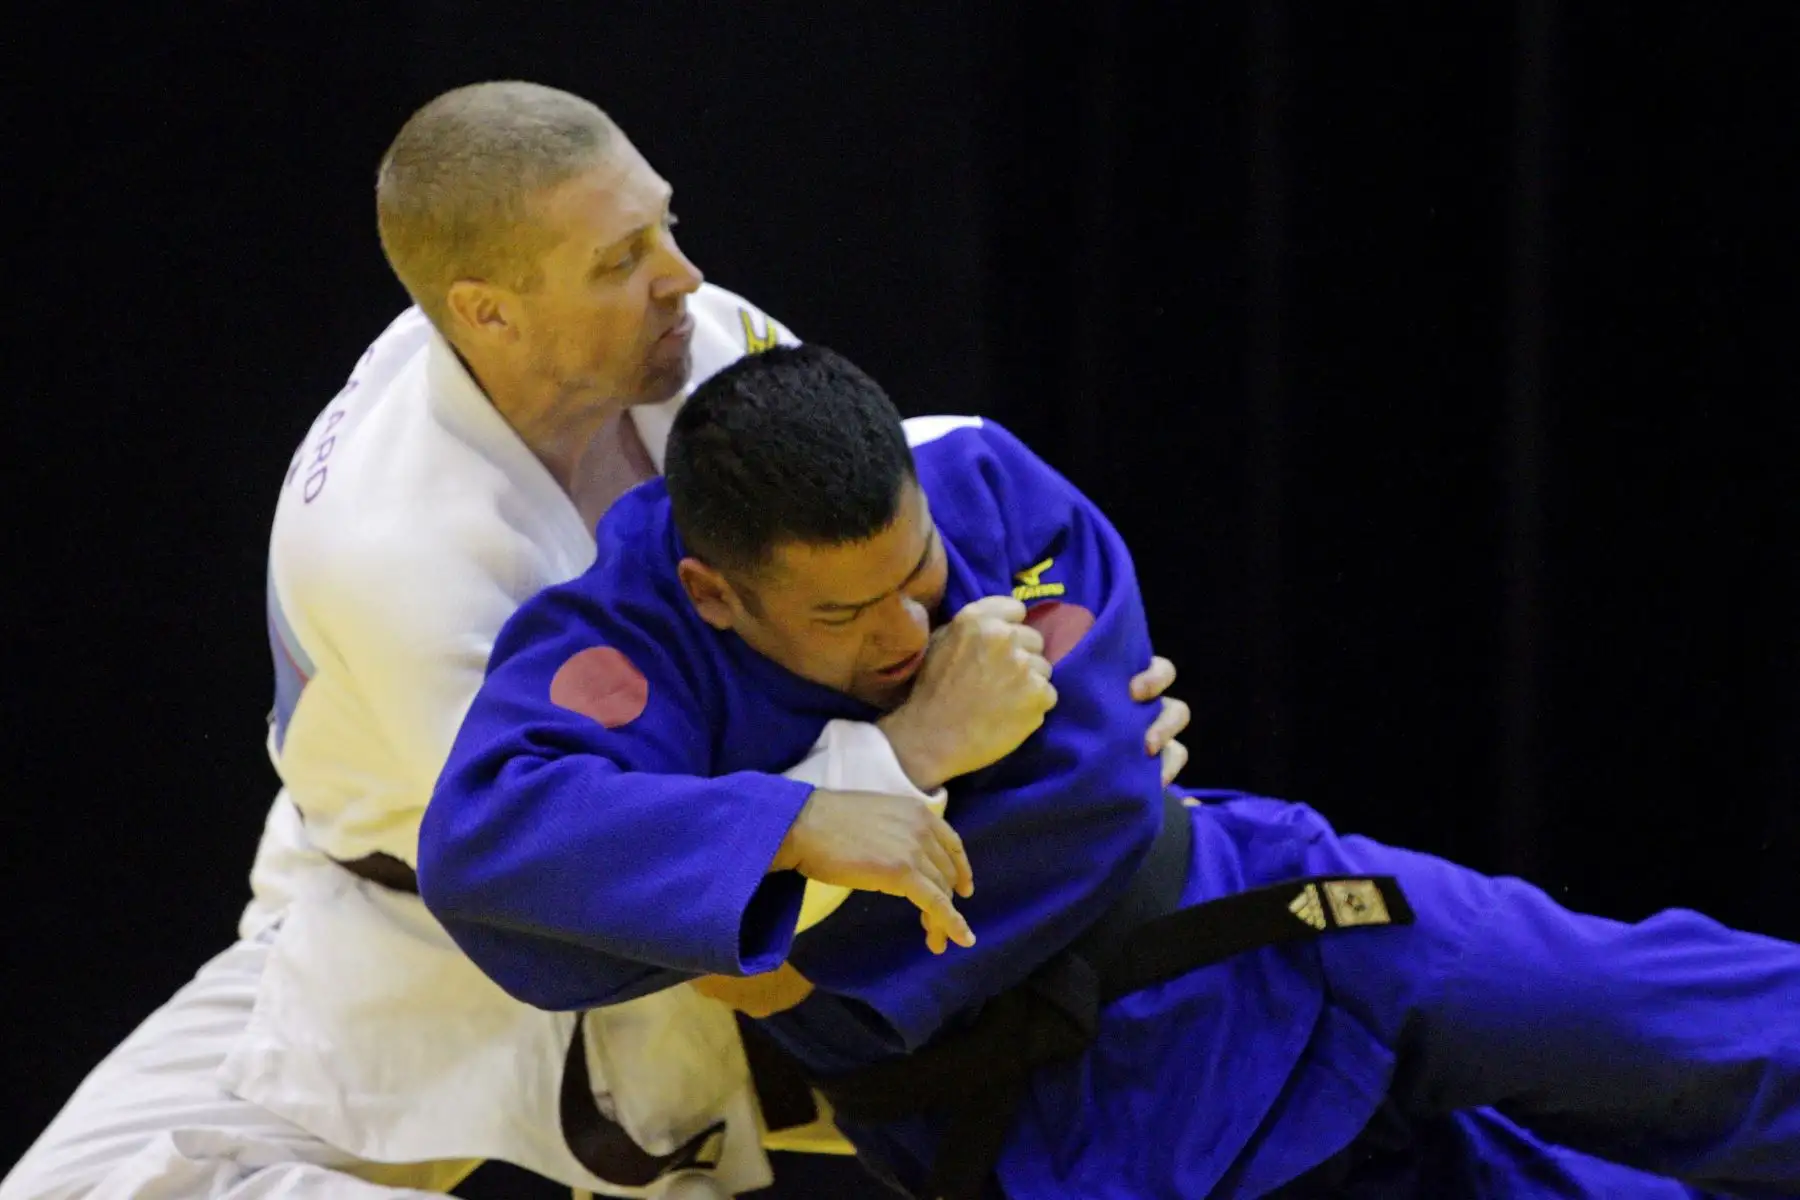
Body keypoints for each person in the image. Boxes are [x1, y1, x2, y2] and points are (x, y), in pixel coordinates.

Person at [0, 84, 1194, 1200]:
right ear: (485, 310)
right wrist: (927, 758)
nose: (683, 275)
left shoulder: (699, 338)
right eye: (622, 261)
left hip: (742, 862)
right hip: (430, 922)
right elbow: (565, 867)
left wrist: (1072, 699)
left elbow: (872, 544)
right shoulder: (403, 555)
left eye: (663, 227)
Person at [420, 342, 1800, 1200]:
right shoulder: (627, 637)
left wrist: (786, 897)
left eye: (920, 580)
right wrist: (893, 765)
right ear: (718, 596)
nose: (911, 633)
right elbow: (491, 861)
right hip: (1046, 1123)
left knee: (1709, 1021)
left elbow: (1095, 793)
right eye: (846, 618)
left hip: (1273, 924)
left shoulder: (979, 481)